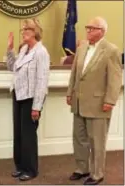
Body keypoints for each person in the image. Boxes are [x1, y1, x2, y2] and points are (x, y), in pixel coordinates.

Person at [66, 17, 122, 185]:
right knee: (79, 138)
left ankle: (97, 174)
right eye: (87, 27)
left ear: (102, 31)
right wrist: (70, 92)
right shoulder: (82, 47)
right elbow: (75, 73)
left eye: (92, 28)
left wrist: (110, 101)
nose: (88, 30)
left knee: (97, 141)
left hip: (99, 104)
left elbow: (115, 79)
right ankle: (82, 169)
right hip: (79, 102)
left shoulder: (111, 50)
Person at [6, 18, 50, 181]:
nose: (23, 33)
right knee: (19, 133)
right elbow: (12, 67)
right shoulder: (24, 49)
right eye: (22, 30)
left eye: (26, 30)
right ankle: (20, 166)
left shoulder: (41, 52)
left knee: (28, 135)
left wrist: (36, 107)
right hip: (18, 94)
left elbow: (42, 80)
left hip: (32, 98)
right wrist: (9, 49)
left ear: (35, 32)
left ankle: (31, 169)